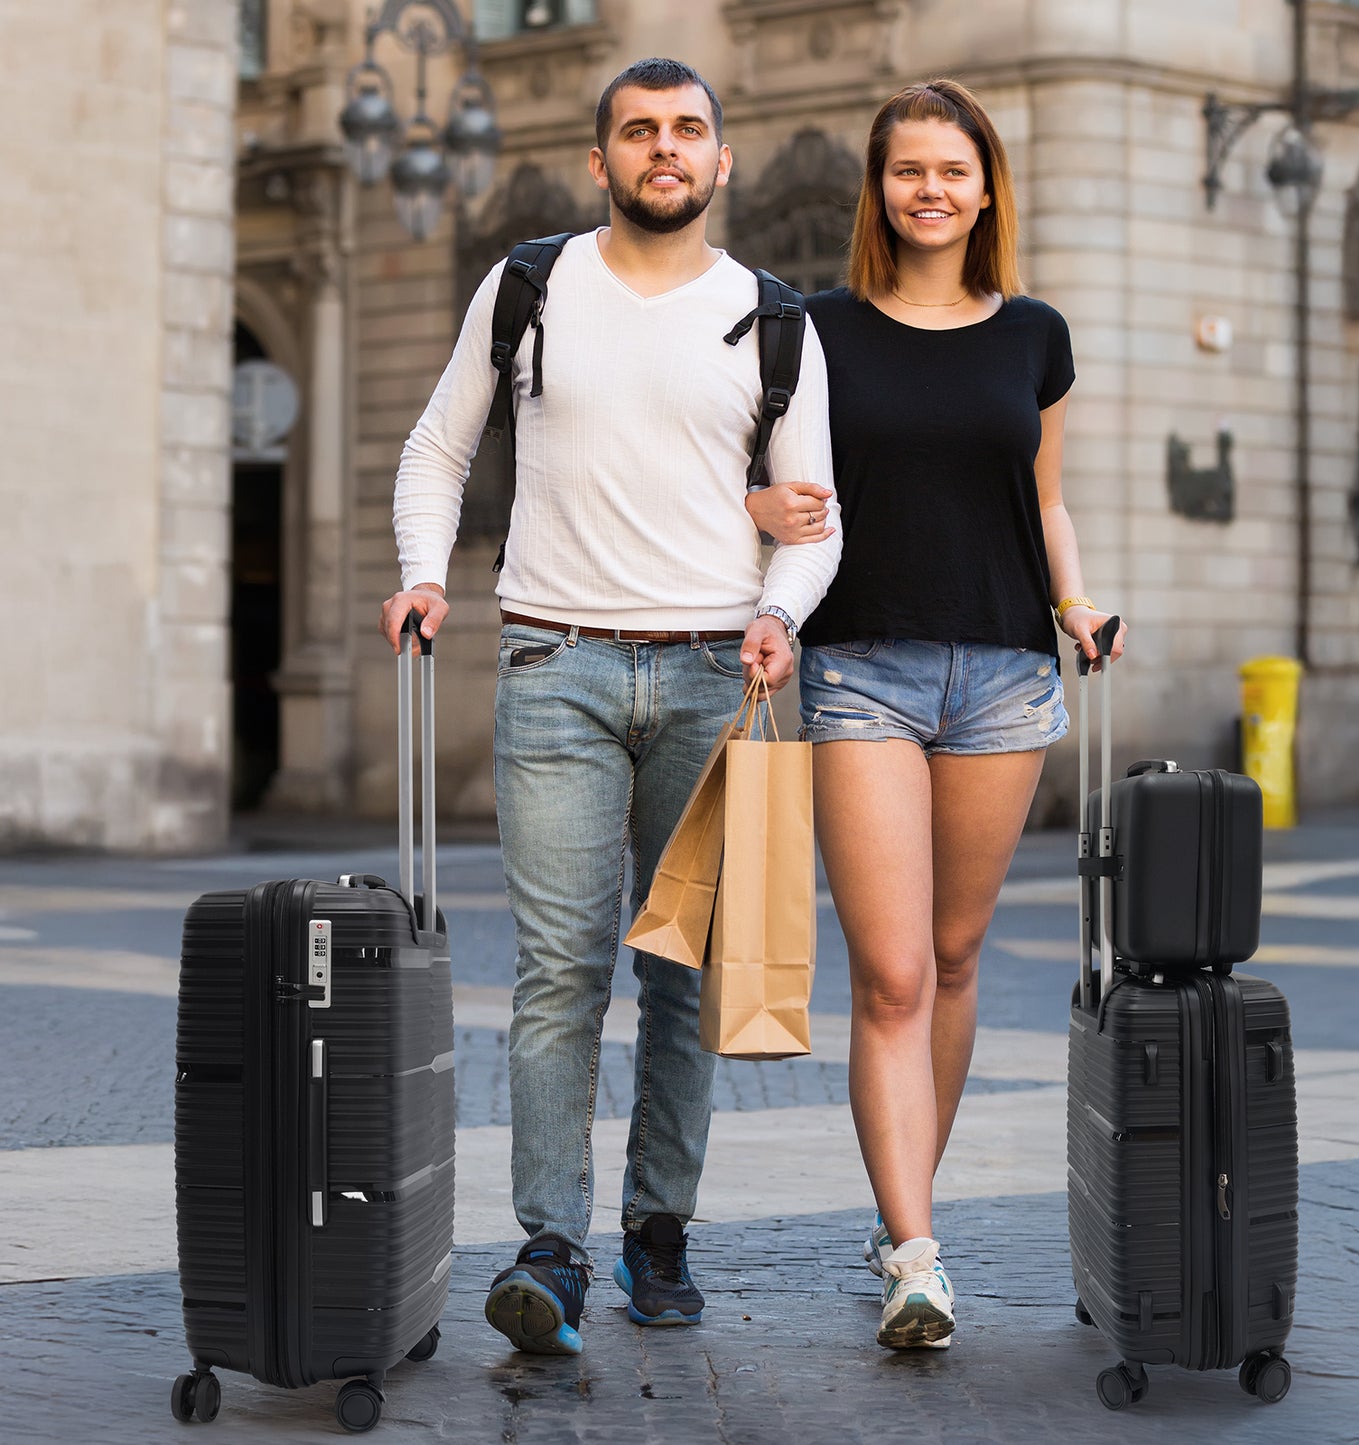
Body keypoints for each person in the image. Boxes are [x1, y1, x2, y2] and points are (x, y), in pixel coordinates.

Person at [379, 57, 840, 1356]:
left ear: (720, 161)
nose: (664, 148)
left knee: (683, 977)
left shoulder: (773, 318)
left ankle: (658, 1231)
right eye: (639, 130)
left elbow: (813, 520)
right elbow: (436, 448)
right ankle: (551, 1248)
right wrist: (424, 572)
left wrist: (778, 610)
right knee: (559, 971)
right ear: (602, 161)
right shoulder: (528, 285)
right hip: (555, 667)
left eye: (687, 129)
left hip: (711, 675)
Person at [747, 78, 1126, 1351]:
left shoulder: (1034, 335)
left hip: (1007, 675)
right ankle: (916, 1254)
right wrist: (756, 513)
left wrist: (1074, 601)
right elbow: (753, 473)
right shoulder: (817, 330)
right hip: (860, 666)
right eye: (907, 169)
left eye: (951, 170)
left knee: (955, 959)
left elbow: (1044, 495)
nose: (929, 190)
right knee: (894, 971)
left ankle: (899, 1210)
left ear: (984, 189)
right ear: (878, 187)